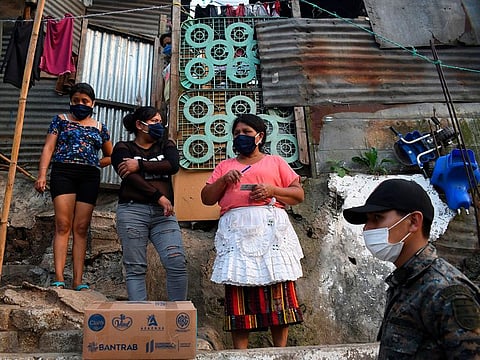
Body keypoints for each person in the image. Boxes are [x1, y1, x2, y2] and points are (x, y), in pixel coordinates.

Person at [343, 178, 480, 358]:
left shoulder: (446, 292)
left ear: (414, 221)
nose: (367, 229)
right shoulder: (404, 284)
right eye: (367, 221)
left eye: (377, 218)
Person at [201, 113, 304, 349]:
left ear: (260, 136)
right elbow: (206, 198)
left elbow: (298, 194)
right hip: (236, 234)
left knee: (277, 286)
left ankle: (280, 351)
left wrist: (272, 190)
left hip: (271, 231)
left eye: (246, 132)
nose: (241, 137)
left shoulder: (276, 162)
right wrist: (224, 180)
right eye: (237, 133)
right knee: (239, 288)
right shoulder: (225, 166)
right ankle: (241, 353)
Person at [34, 82, 112, 291]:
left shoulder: (99, 127)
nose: (80, 104)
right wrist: (42, 175)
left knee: (81, 227)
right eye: (76, 100)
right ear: (70, 101)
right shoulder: (60, 120)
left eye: (85, 101)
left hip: (89, 177)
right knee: (63, 224)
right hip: (63, 173)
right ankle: (59, 277)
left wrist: (96, 163)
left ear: (92, 103)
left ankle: (78, 280)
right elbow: (49, 147)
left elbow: (110, 155)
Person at [111, 106, 187, 301]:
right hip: (132, 211)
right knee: (135, 267)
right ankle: (140, 318)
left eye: (160, 121)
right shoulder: (122, 148)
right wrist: (158, 196)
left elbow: (172, 165)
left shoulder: (166, 145)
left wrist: (140, 165)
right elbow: (130, 178)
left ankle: (179, 319)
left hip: (164, 216)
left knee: (176, 262)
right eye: (154, 121)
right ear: (139, 124)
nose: (158, 125)